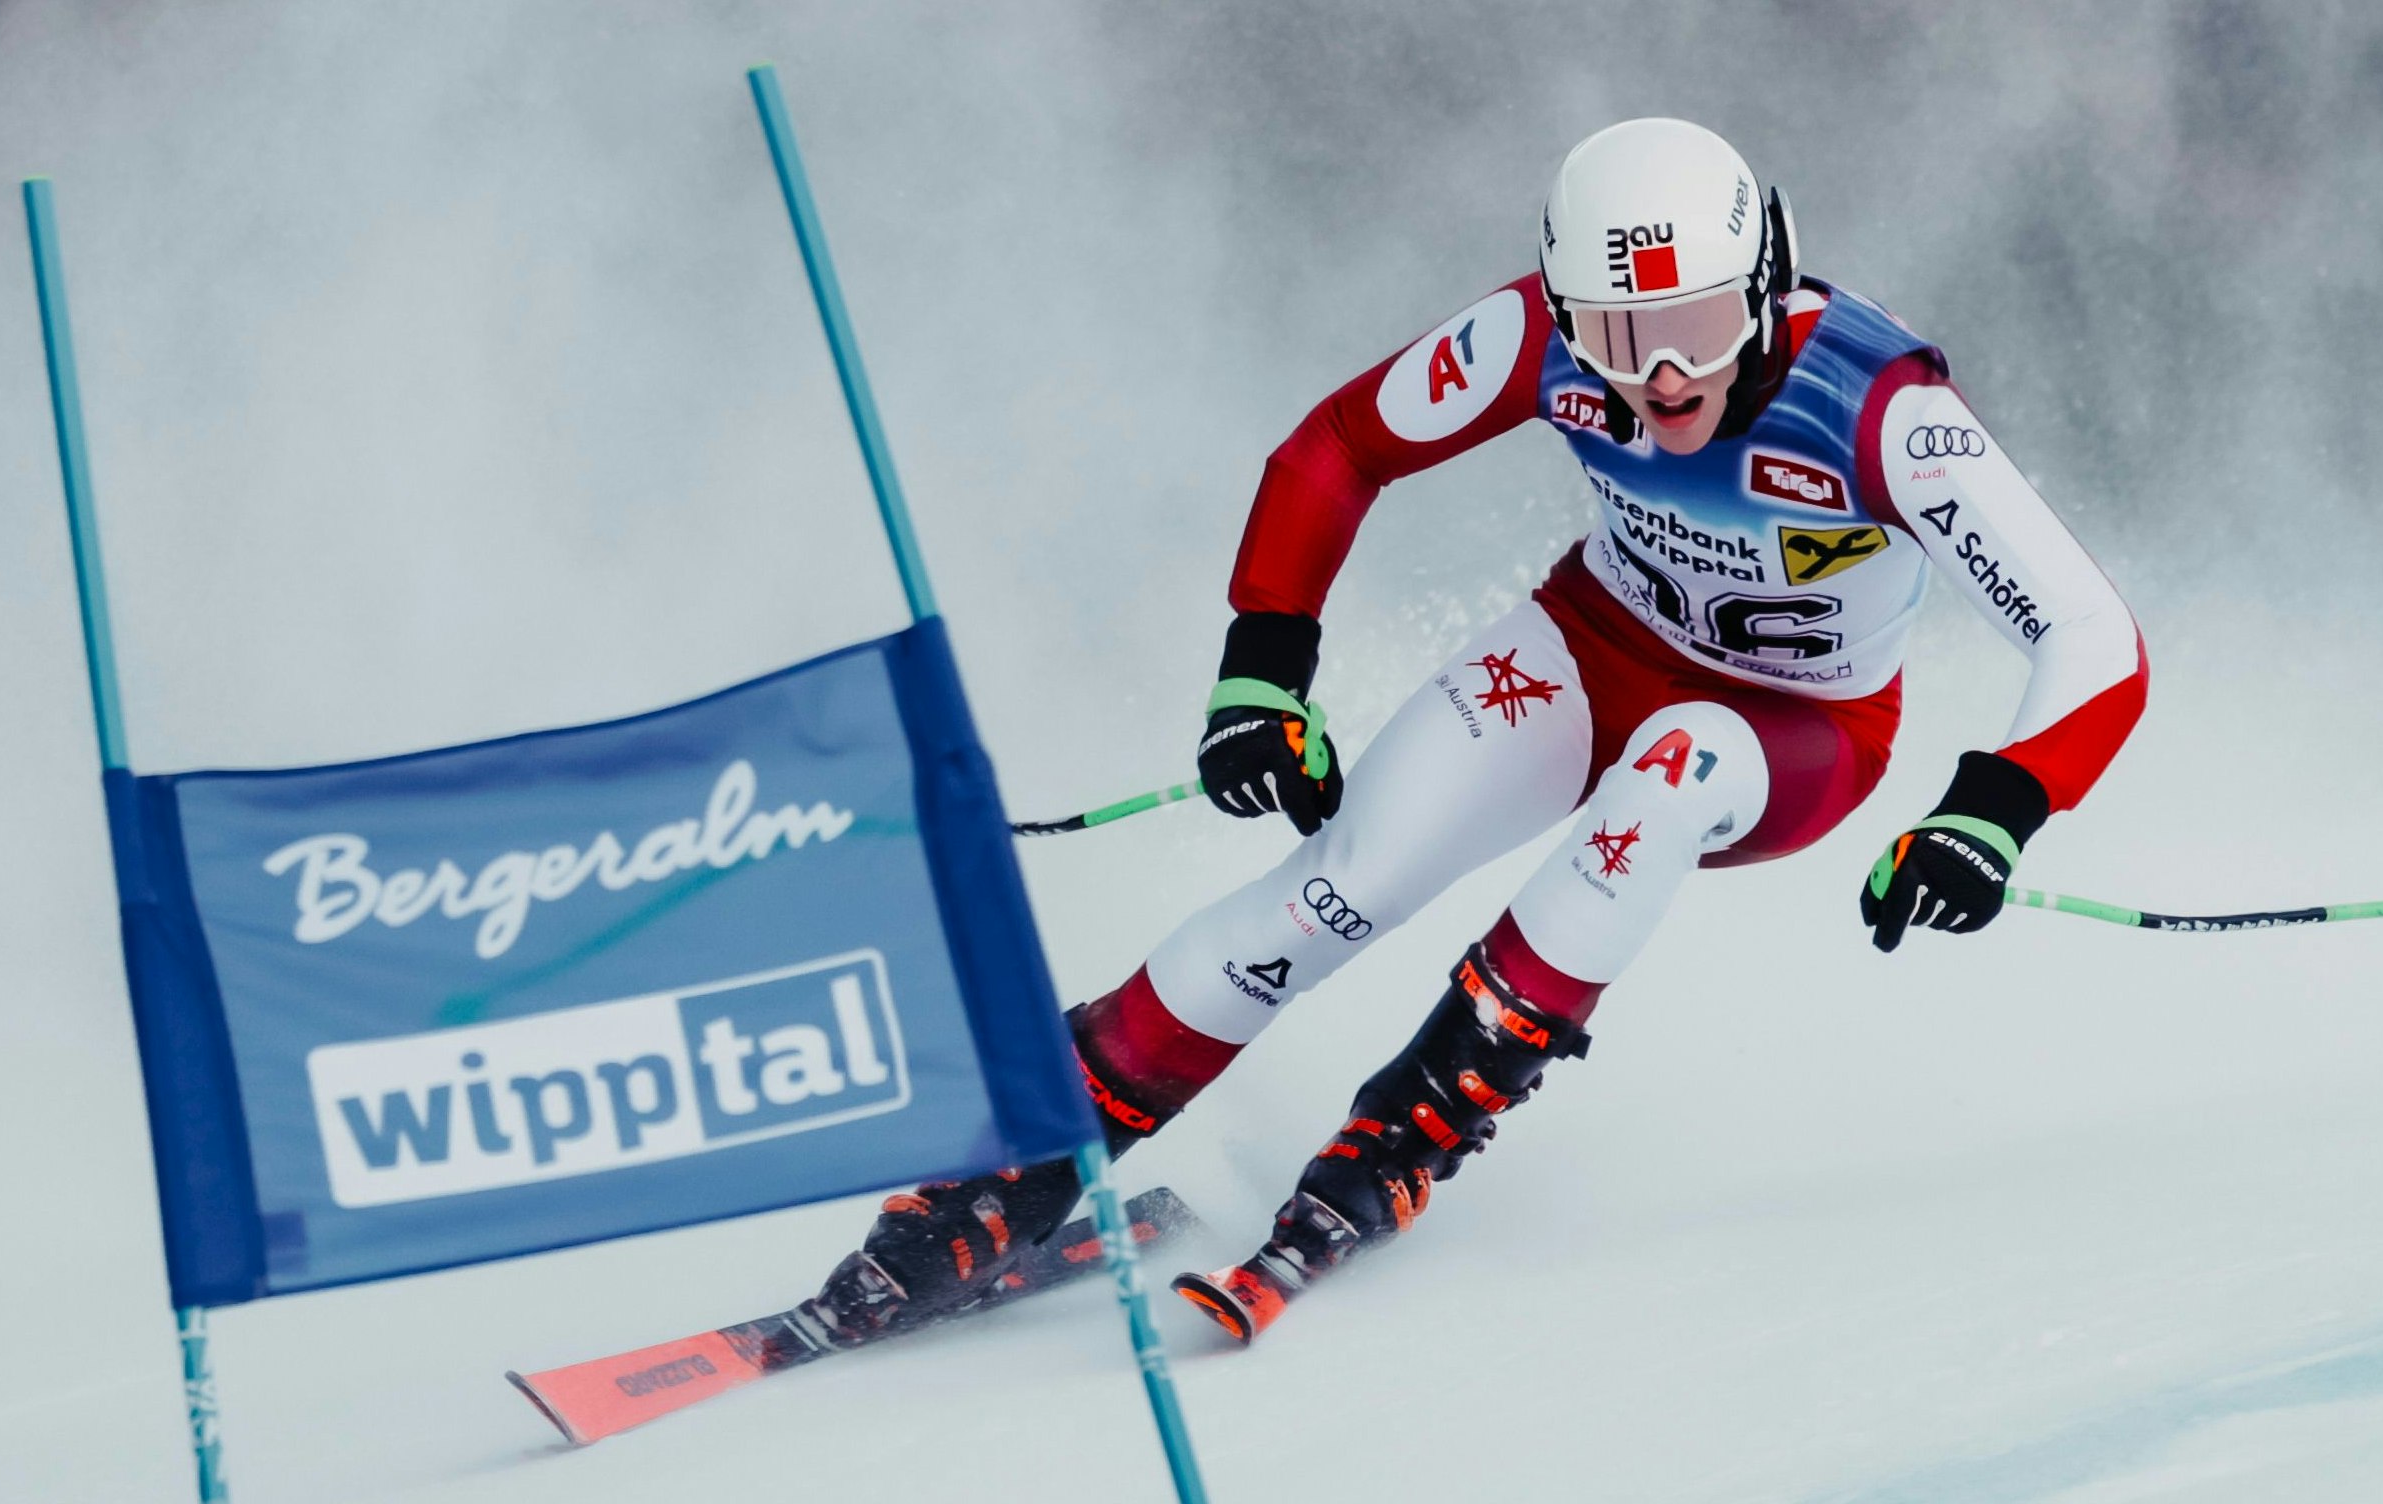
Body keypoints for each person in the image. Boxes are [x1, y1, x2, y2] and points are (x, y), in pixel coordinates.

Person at [798, 117, 2149, 1347]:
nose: (1658, 377)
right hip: (1592, 645)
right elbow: (1334, 447)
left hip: (1788, 734)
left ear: (1766, 282)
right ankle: (1028, 1153)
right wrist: (1261, 675)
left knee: (1667, 775)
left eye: (1690, 326)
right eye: (1617, 337)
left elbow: (2090, 633)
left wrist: (1993, 809)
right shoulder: (1534, 341)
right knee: (1331, 890)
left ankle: (1409, 1127)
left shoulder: (1879, 408)